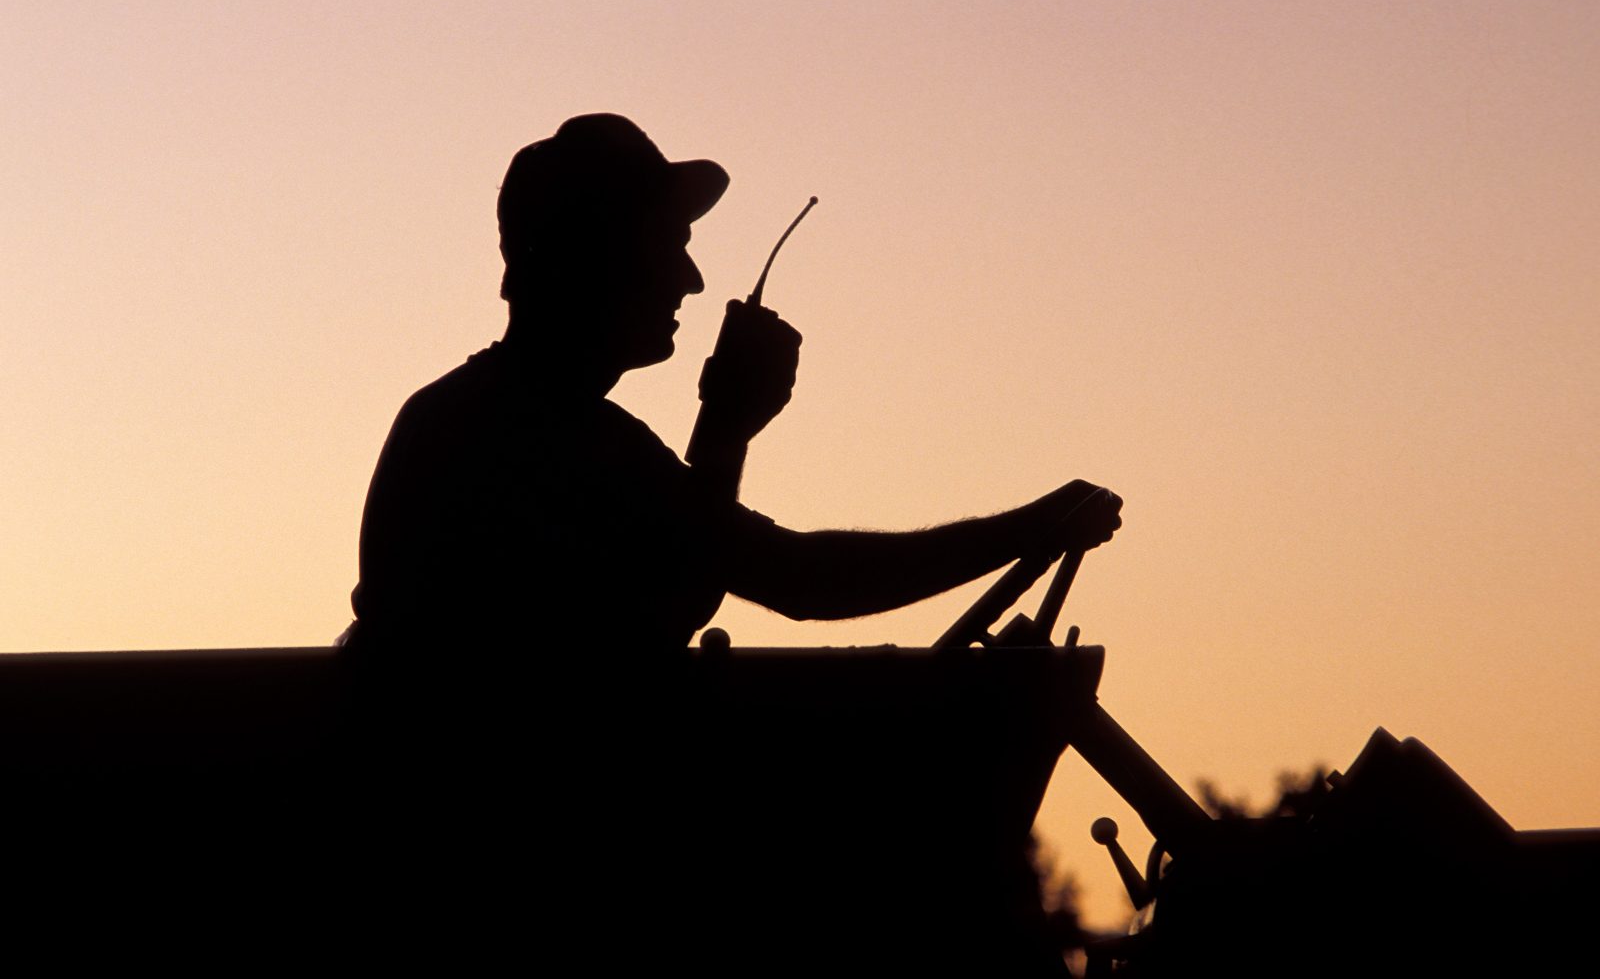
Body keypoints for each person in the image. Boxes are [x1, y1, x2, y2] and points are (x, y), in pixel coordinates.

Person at [345, 112, 1121, 660]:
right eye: (668, 245)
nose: (690, 278)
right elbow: (789, 579)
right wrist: (1027, 529)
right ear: (591, 260)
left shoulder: (501, 421)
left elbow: (683, 581)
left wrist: (724, 432)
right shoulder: (523, 436)